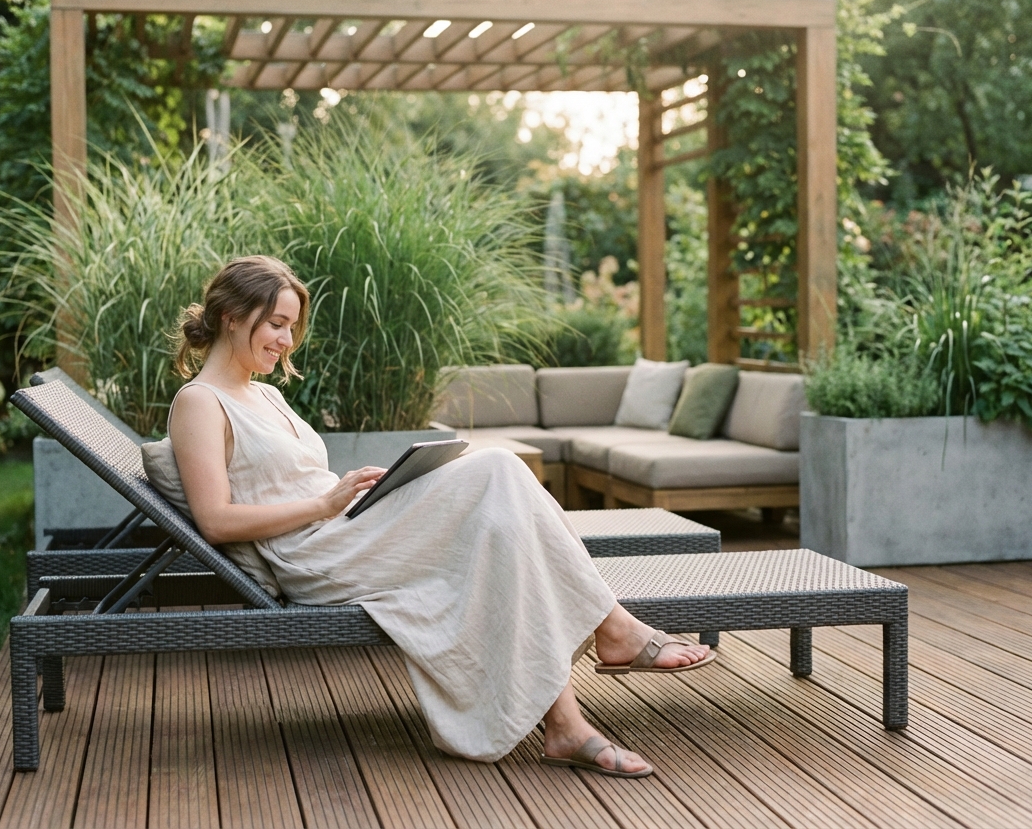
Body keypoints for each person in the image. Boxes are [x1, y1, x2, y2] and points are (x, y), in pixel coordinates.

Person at [168, 255, 714, 779]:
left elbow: (289, 480)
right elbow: (215, 521)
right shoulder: (200, 403)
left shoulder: (264, 395)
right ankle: (612, 629)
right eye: (277, 325)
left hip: (343, 526)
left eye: (291, 327)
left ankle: (566, 725)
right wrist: (325, 505)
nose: (287, 340)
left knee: (501, 526)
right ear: (230, 317)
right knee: (498, 466)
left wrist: (356, 493)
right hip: (312, 554)